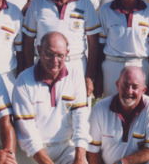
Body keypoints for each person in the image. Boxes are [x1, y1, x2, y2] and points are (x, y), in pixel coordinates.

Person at [23, 0, 101, 97]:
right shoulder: (37, 2)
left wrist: (89, 76)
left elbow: (93, 44)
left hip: (76, 66)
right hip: (45, 67)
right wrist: (30, 70)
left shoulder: (85, 2)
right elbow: (28, 41)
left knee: (78, 114)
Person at [13, 32, 91, 164]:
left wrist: (80, 157)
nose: (55, 61)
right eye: (49, 54)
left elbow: (81, 120)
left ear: (67, 53)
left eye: (60, 56)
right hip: (33, 154)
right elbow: (28, 135)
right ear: (39, 51)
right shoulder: (23, 81)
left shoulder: (75, 74)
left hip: (66, 148)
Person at [98, 0, 149, 98]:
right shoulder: (105, 10)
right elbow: (100, 45)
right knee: (111, 109)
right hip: (112, 66)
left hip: (141, 65)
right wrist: (98, 77)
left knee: (138, 110)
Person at [87, 66, 149, 164]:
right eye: (125, 85)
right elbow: (93, 152)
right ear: (117, 85)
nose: (129, 91)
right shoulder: (99, 109)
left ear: (143, 90)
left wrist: (124, 162)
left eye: (135, 87)